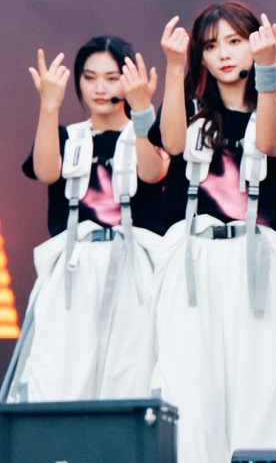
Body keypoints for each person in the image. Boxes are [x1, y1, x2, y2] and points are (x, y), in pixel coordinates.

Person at [146, 3, 276, 463]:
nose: (224, 54)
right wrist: (173, 67)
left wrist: (269, 71)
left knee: (261, 385)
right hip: (193, 256)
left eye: (235, 41)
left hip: (255, 257)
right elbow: (172, 143)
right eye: (212, 45)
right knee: (191, 385)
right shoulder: (190, 110)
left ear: (255, 43)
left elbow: (269, 142)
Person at [4, 38, 164, 402]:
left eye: (111, 77)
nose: (100, 88)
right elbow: (46, 171)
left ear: (129, 80)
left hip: (134, 268)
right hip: (73, 268)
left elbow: (154, 172)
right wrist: (49, 106)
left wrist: (142, 111)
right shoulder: (68, 136)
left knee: (130, 372)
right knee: (60, 371)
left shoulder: (146, 134)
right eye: (90, 78)